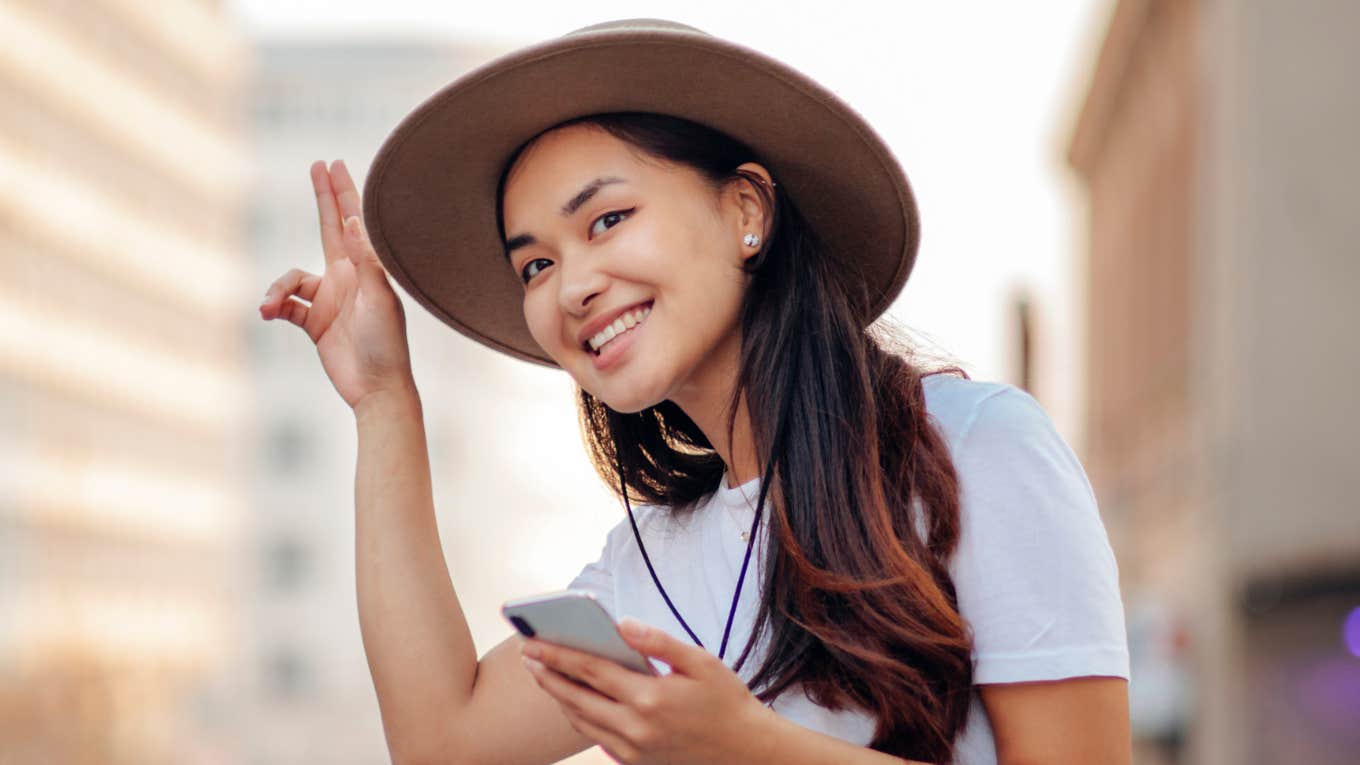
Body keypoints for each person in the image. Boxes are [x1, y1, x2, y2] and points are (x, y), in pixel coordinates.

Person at [258, 18, 1131, 765]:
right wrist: (382, 399)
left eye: (607, 220)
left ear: (746, 211)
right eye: (536, 264)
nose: (571, 287)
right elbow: (442, 739)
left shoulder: (977, 451)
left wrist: (749, 746)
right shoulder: (651, 564)